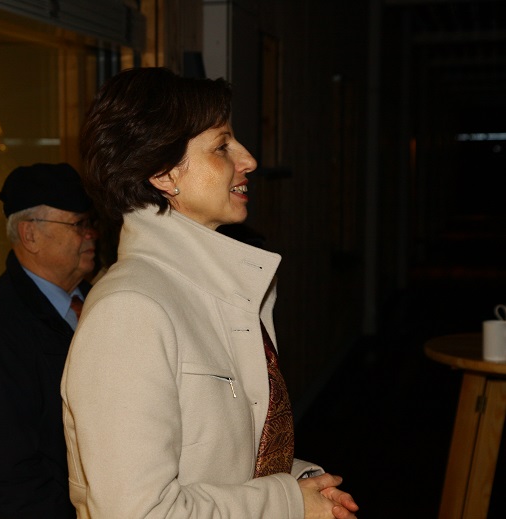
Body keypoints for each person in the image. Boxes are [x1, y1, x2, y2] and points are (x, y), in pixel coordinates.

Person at [61, 68, 359, 518]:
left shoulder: (208, 290)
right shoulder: (129, 310)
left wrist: (301, 483)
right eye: (222, 146)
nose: (248, 160)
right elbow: (140, 512)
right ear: (164, 174)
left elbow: (218, 463)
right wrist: (288, 503)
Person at [0, 162, 97, 519]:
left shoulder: (97, 301)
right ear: (30, 235)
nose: (91, 234)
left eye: (90, 223)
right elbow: (6, 481)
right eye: (78, 224)